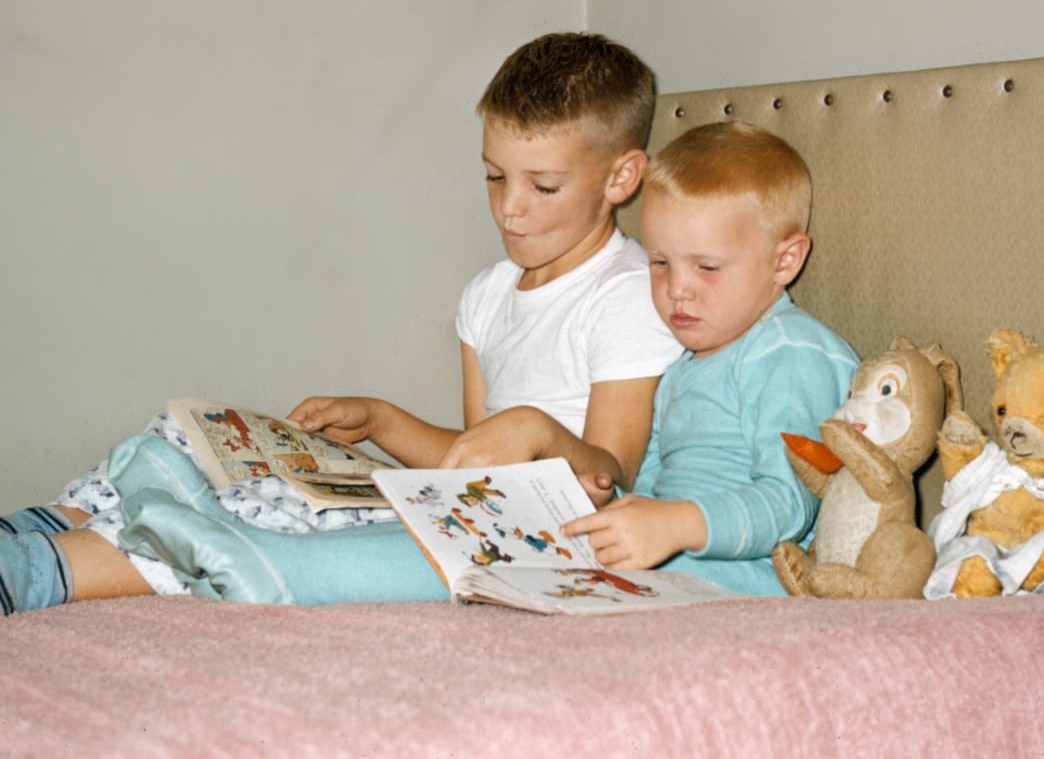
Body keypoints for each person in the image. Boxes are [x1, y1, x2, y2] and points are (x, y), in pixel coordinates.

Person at [0, 32, 682, 614]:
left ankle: (39, 574)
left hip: (549, 536)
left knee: (261, 505)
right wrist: (382, 420)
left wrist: (536, 428)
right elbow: (468, 457)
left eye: (543, 187)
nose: (509, 209)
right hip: (471, 506)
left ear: (621, 178)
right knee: (187, 435)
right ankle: (35, 532)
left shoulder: (626, 296)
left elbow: (611, 478)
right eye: (494, 178)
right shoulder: (487, 295)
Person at [562, 121, 859, 596]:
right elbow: (653, 490)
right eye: (660, 263)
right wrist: (611, 504)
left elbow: (789, 504)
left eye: (707, 267)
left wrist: (679, 525)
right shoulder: (682, 368)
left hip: (760, 575)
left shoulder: (790, 352)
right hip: (675, 564)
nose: (677, 288)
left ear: (785, 261)